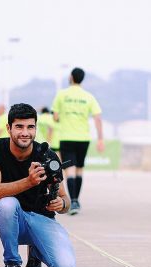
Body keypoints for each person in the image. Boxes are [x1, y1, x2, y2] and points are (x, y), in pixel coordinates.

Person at [0, 103, 75, 267]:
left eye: (30, 127)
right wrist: (29, 181)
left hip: (41, 219)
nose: (25, 132)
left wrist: (61, 203)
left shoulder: (47, 156)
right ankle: (12, 261)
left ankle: (36, 252)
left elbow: (66, 201)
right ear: (8, 128)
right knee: (7, 203)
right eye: (19, 127)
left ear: (35, 128)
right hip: (12, 220)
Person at [52, 67, 104, 215]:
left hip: (66, 136)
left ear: (71, 77)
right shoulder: (88, 96)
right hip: (83, 138)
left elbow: (55, 117)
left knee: (69, 170)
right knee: (80, 168)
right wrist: (100, 139)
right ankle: (76, 200)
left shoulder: (61, 95)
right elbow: (97, 117)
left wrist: (64, 117)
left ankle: (73, 200)